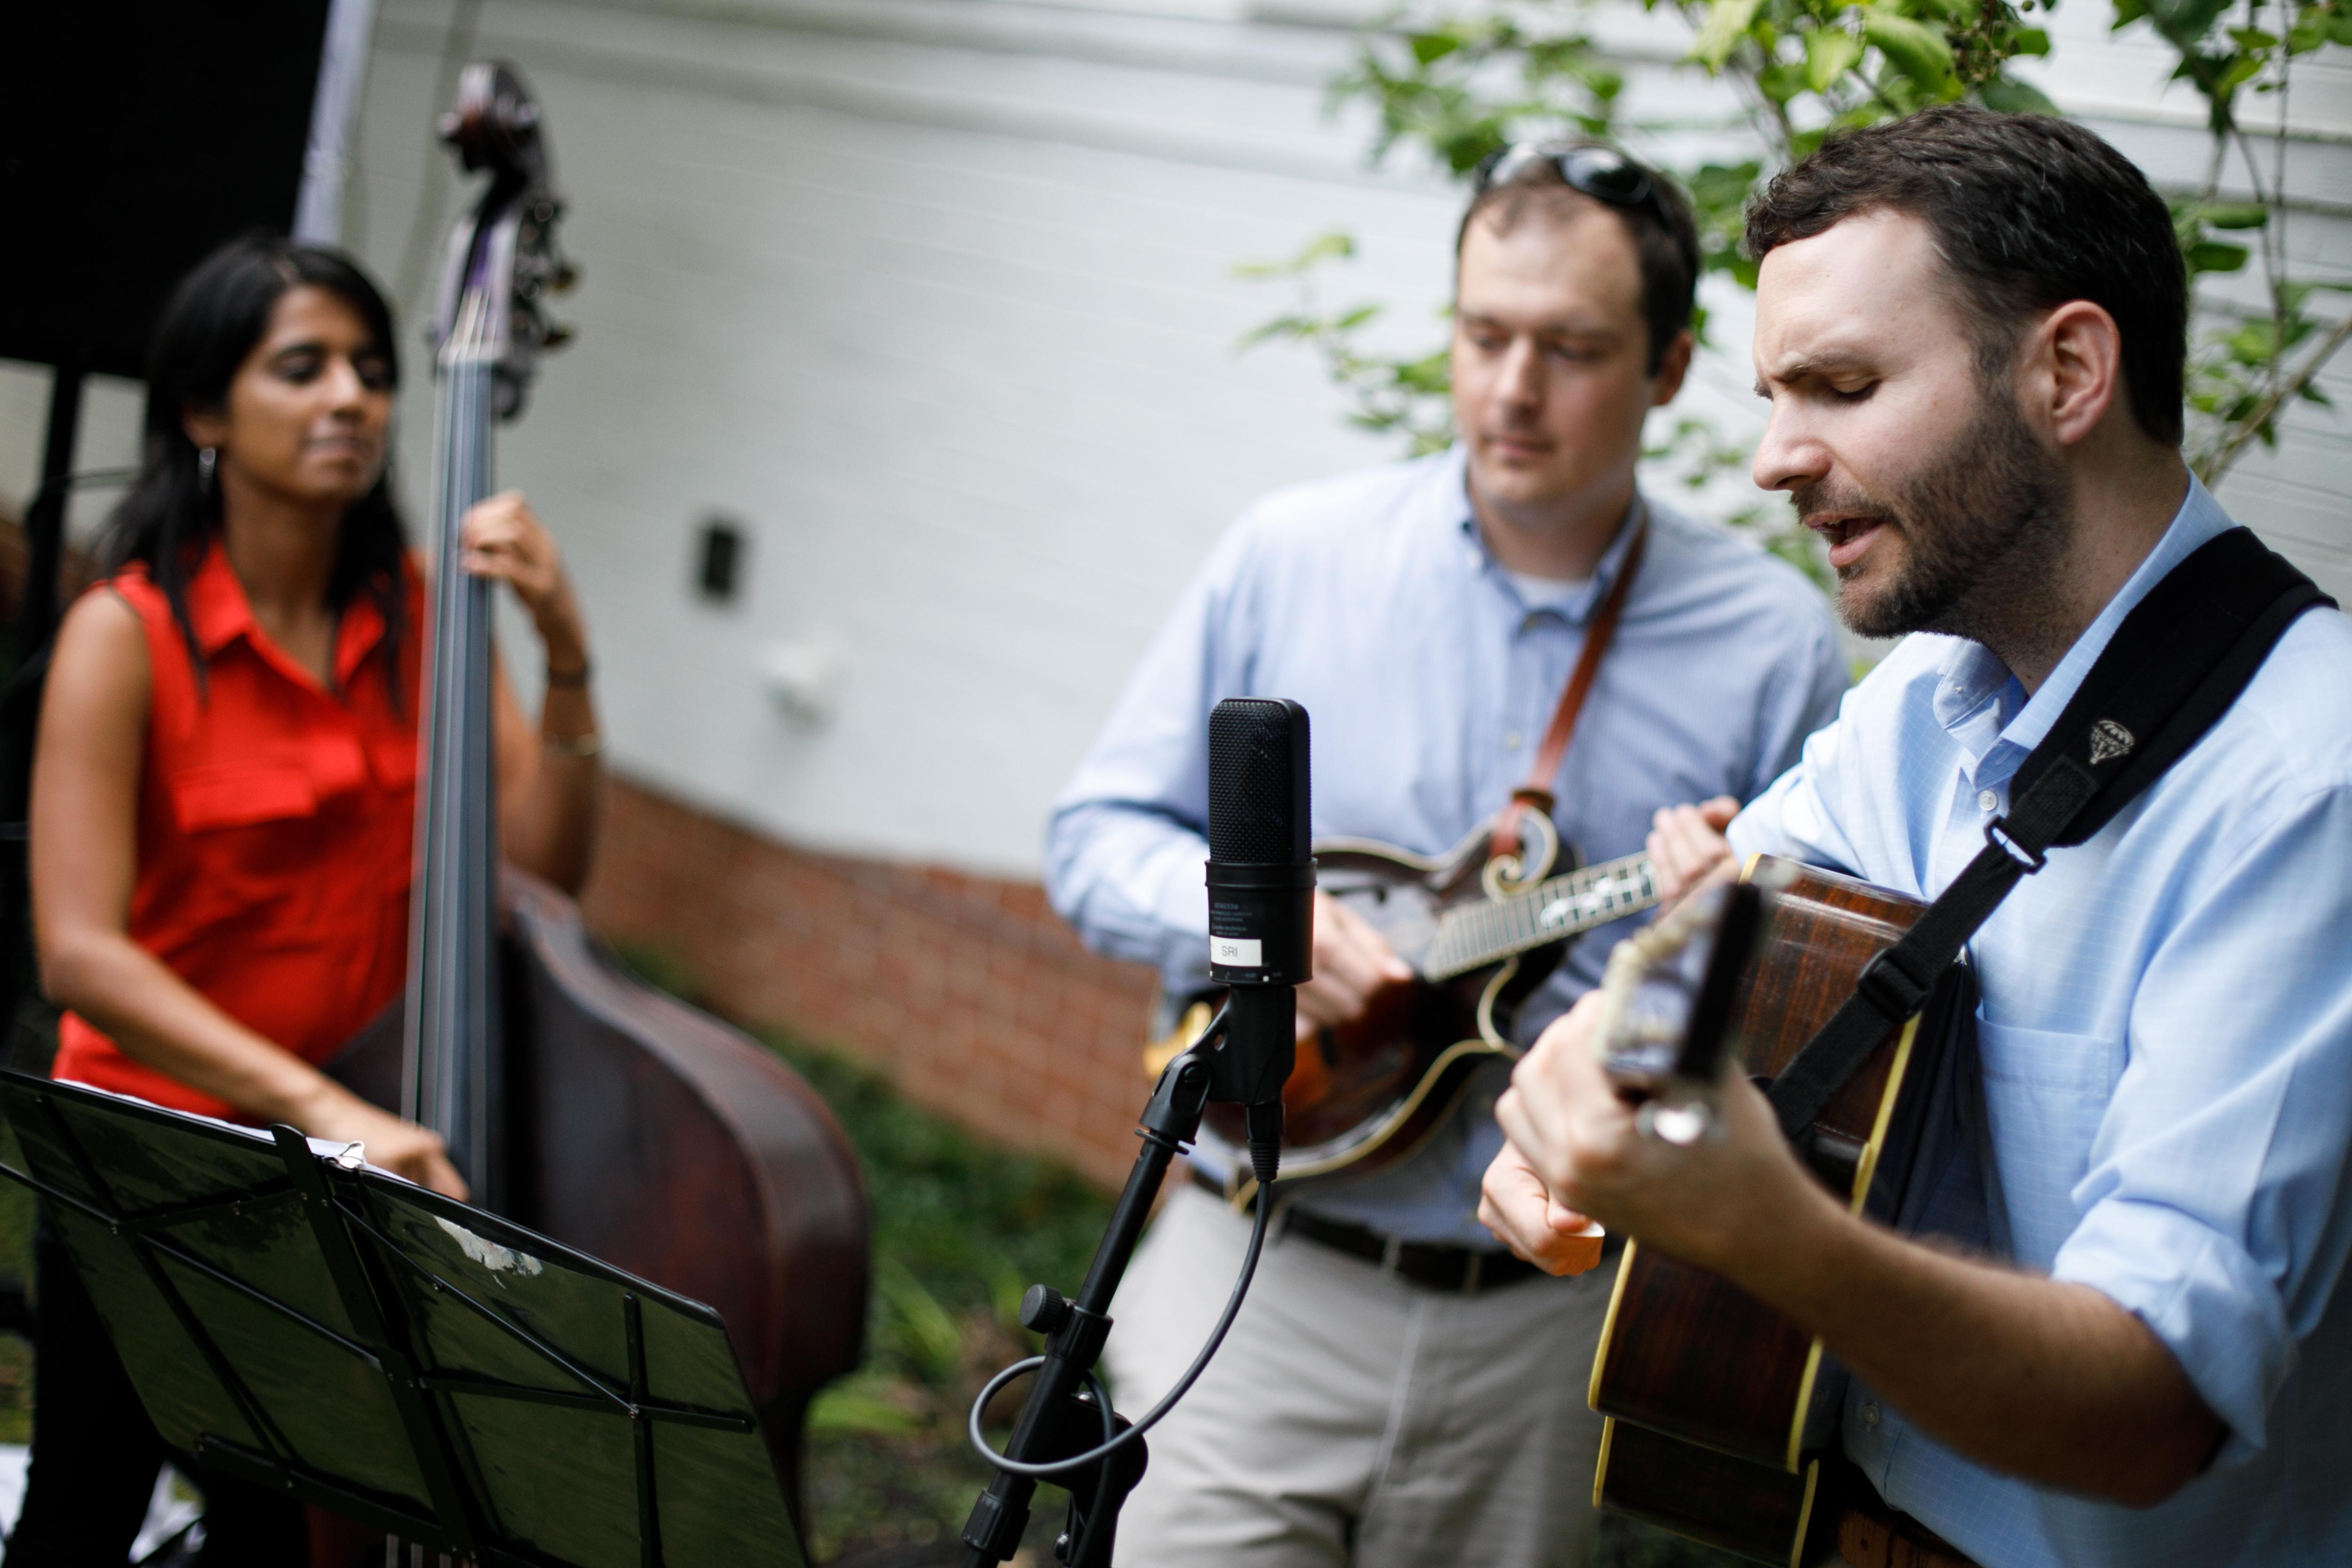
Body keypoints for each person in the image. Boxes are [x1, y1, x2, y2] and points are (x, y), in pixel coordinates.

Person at [1481, 106, 2352, 1568]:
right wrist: (1565, 1099)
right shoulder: (1914, 707)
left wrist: (1776, 1234)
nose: (1774, 459)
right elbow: (1701, 963)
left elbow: (2154, 1408)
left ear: (2067, 372)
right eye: (1774, 397)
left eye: (1841, 386)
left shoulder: (2310, 784)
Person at [1047, 143, 1848, 1567]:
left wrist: (1726, 936)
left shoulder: (1770, 644)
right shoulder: (1290, 557)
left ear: (1669, 369)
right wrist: (1260, 928)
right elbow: (1095, 840)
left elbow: (1793, 1010)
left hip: (1549, 1327)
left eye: (1572, 350)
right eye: (1484, 336)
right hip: (1256, 1281)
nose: (1511, 390)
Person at [5, 237, 603, 1565]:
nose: (351, 397)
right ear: (204, 411)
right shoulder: (124, 632)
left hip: (342, 1165)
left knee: (281, 1535)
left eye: (372, 371)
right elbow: (79, 953)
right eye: (303, 367)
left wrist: (565, 650)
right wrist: (326, 1111)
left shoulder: (423, 612)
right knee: (85, 1514)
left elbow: (544, 871)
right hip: (155, 1156)